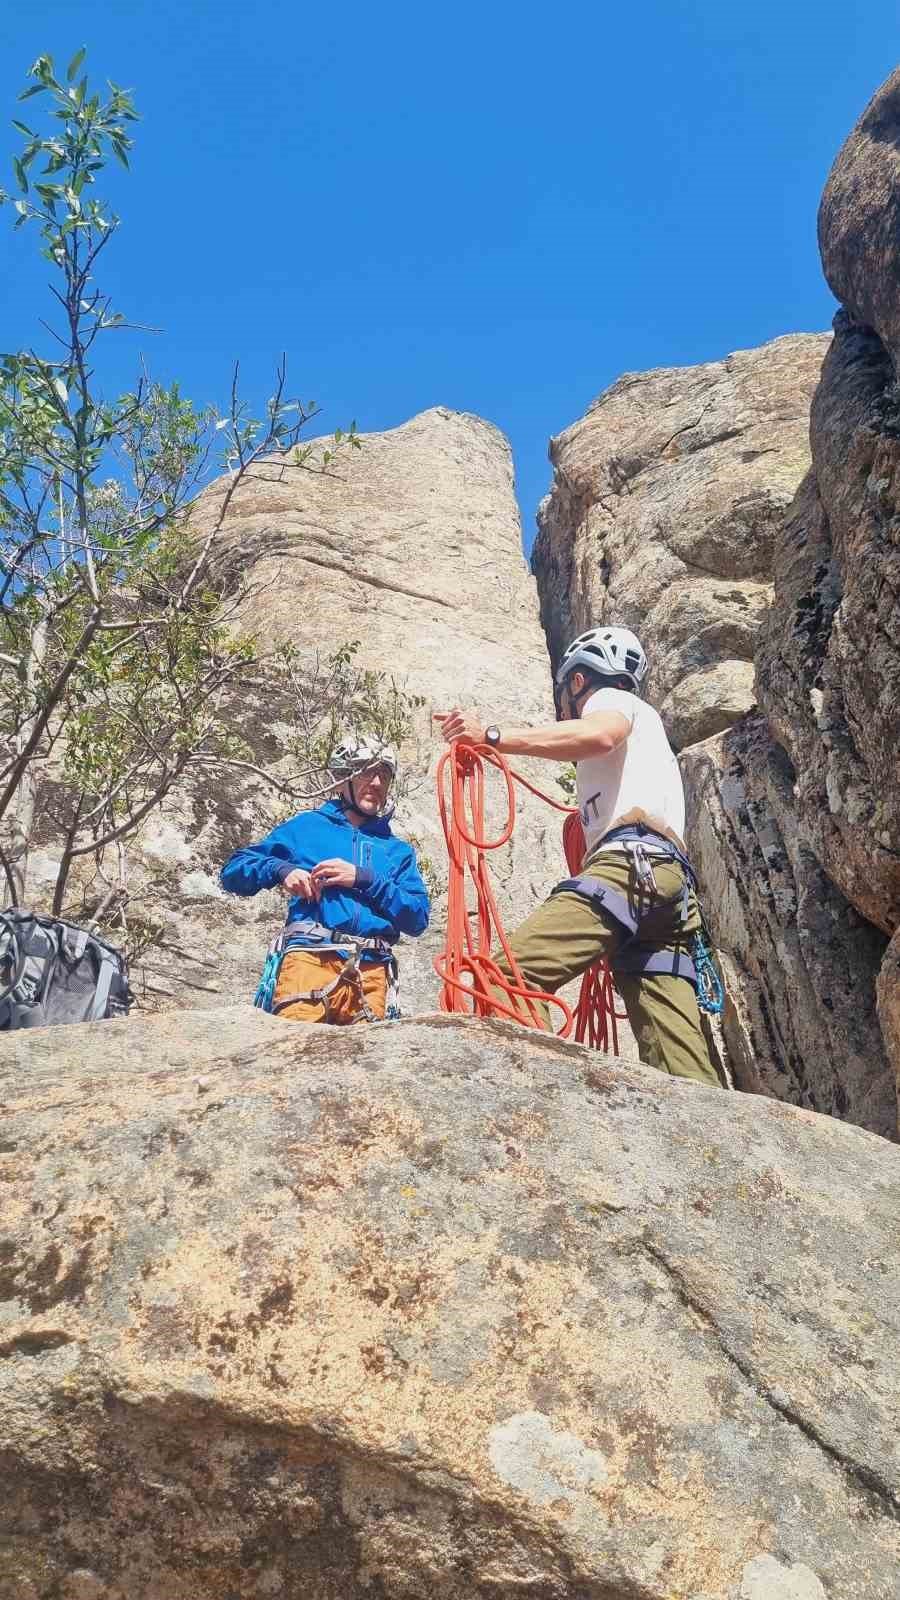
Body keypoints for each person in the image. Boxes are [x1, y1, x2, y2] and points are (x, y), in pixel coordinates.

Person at [436, 625, 721, 1087]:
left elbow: (602, 735)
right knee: (680, 1062)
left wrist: (491, 735)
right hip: (666, 885)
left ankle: (548, 1111)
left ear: (577, 681)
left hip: (630, 868)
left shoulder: (610, 701)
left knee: (510, 976)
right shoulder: (644, 739)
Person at [220, 737, 429, 1024]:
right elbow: (234, 871)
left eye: (385, 775)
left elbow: (417, 918)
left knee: (364, 1066)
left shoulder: (397, 851)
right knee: (292, 1056)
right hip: (310, 959)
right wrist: (281, 870)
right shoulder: (307, 828)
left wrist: (365, 879)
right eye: (367, 771)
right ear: (343, 778)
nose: (378, 783)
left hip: (371, 971)